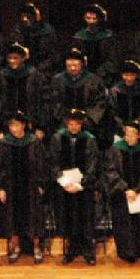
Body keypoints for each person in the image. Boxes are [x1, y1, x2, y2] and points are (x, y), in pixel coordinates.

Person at [0, 111, 48, 264]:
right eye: (11, 125)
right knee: (12, 217)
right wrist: (0, 187)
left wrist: (41, 184)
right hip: (11, 186)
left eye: (16, 125)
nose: (13, 128)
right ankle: (16, 247)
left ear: (23, 125)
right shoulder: (4, 143)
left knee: (34, 216)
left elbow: (42, 164)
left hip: (30, 186)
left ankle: (37, 247)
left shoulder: (34, 142)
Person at [50, 109, 99, 265]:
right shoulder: (58, 138)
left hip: (84, 188)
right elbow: (54, 163)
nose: (73, 128)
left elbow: (93, 165)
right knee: (68, 217)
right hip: (65, 187)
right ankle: (72, 249)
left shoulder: (89, 139)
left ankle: (88, 250)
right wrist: (65, 182)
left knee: (85, 217)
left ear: (81, 124)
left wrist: (80, 184)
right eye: (70, 124)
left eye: (76, 124)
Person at [103, 120, 140, 263]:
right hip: (122, 193)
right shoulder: (115, 149)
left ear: (139, 135)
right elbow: (110, 170)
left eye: (132, 134)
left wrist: (138, 189)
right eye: (126, 134)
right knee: (123, 222)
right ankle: (127, 252)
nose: (128, 137)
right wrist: (126, 188)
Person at [47, 49, 108, 139]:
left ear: (82, 65)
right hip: (64, 123)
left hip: (88, 123)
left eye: (75, 65)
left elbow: (100, 102)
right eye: (69, 66)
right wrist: (65, 119)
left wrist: (87, 119)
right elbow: (54, 102)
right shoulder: (57, 80)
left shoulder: (94, 80)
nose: (72, 68)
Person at [0, 43, 48, 138]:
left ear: (23, 58)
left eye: (15, 58)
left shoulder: (35, 75)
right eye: (9, 58)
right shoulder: (1, 76)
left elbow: (43, 101)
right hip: (6, 126)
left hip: (31, 125)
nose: (12, 61)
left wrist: (40, 126)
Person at [71, 3, 122, 84]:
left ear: (99, 19)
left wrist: (101, 72)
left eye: (94, 18)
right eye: (88, 18)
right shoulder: (79, 37)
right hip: (84, 71)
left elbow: (113, 59)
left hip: (105, 74)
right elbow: (74, 57)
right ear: (84, 18)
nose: (91, 21)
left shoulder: (108, 37)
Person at [108, 60, 140, 139]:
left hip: (139, 129)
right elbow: (112, 111)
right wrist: (123, 126)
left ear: (136, 75)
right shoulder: (115, 90)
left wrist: (138, 123)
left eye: (132, 75)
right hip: (120, 130)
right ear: (122, 75)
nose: (129, 78)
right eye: (126, 75)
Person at [11, 2, 58, 76]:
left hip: (44, 69)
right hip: (23, 67)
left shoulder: (47, 31)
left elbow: (53, 56)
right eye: (23, 16)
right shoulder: (18, 30)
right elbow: (14, 50)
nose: (25, 19)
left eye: (28, 16)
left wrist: (39, 68)